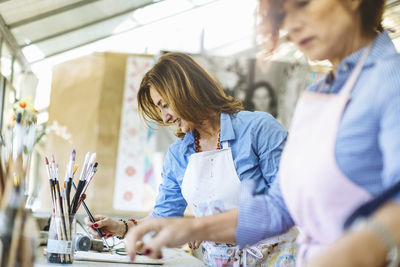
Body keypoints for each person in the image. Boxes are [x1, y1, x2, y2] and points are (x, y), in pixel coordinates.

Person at [124, 0, 400, 266]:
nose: (289, 26)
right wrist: (191, 230)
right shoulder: (319, 93)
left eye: (303, 4)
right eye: (282, 14)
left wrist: (354, 253)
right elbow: (280, 206)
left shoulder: (391, 80)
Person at [86, 52, 298, 266]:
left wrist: (206, 228)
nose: (164, 117)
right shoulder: (178, 156)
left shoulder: (259, 129)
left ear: (187, 90)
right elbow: (162, 220)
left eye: (165, 104)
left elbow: (288, 205)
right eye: (160, 109)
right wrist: (122, 228)